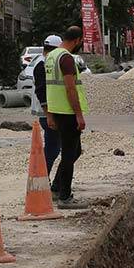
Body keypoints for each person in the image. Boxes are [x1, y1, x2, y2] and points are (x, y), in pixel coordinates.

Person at [44, 27, 88, 209]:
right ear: (77, 40)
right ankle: (65, 197)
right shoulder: (66, 58)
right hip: (68, 112)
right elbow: (70, 88)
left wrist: (50, 114)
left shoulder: (51, 56)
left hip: (57, 110)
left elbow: (50, 87)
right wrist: (79, 115)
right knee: (69, 154)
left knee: (75, 151)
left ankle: (56, 187)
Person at [33, 34, 63, 190]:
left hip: (48, 112)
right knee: (52, 148)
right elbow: (42, 91)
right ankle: (42, 180)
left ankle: (44, 180)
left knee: (54, 147)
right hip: (47, 113)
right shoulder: (43, 65)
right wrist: (49, 114)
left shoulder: (43, 62)